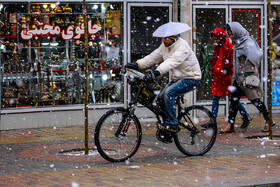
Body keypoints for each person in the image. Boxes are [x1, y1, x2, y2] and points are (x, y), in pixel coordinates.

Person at [125, 34, 201, 132]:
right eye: (163, 38)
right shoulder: (165, 46)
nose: (163, 40)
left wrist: (157, 72)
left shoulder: (183, 46)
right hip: (177, 78)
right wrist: (137, 65)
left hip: (191, 78)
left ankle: (172, 123)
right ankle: (166, 126)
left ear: (173, 38)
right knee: (161, 98)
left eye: (166, 38)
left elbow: (172, 61)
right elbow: (153, 57)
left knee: (169, 93)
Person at [220, 22, 276, 133]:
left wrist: (247, 66)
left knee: (255, 100)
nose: (231, 36)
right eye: (230, 34)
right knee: (233, 101)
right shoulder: (238, 43)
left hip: (247, 78)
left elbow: (257, 57)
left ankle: (269, 120)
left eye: (232, 34)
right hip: (238, 78)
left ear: (237, 32)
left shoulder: (247, 42)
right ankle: (230, 125)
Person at [209, 28, 252, 128]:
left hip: (226, 77)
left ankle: (245, 116)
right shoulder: (219, 46)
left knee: (232, 99)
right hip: (219, 76)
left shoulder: (229, 46)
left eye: (217, 39)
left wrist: (224, 69)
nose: (215, 41)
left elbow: (231, 62)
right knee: (217, 97)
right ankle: (213, 119)